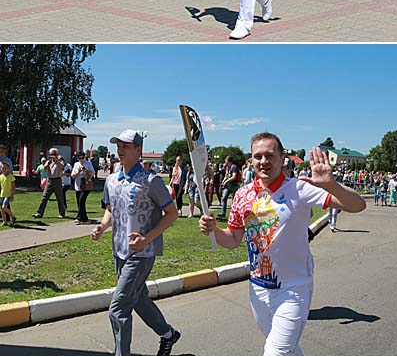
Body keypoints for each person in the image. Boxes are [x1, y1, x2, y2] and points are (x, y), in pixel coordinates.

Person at [199, 136, 365, 356]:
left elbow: (357, 205)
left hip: (294, 287)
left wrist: (331, 185)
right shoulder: (242, 195)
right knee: (287, 350)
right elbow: (232, 240)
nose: (263, 161)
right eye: (258, 156)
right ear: (251, 160)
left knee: (275, 352)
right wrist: (215, 230)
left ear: (281, 159)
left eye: (270, 155)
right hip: (259, 288)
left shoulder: (299, 188)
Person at [91, 129, 180, 357]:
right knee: (138, 298)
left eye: (126, 146)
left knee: (118, 309)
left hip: (143, 253)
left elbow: (171, 213)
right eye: (118, 146)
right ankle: (168, 334)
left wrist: (146, 239)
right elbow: (111, 210)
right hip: (119, 250)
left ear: (138, 150)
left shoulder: (151, 181)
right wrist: (102, 226)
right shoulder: (112, 179)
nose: (120, 150)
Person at [33, 147, 66, 218]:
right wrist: (48, 163)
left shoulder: (60, 161)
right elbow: (44, 168)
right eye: (51, 154)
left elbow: (62, 167)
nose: (52, 155)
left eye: (54, 154)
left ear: (56, 154)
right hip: (50, 180)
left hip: (57, 180)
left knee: (60, 198)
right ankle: (39, 213)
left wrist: (56, 161)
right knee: (44, 197)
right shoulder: (49, 161)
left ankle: (62, 213)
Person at [71, 151, 95, 224]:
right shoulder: (76, 164)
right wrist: (78, 172)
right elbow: (73, 175)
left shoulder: (88, 163)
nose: (81, 159)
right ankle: (84, 218)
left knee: (81, 200)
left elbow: (93, 173)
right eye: (79, 158)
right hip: (78, 185)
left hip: (86, 184)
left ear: (85, 157)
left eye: (82, 158)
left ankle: (79, 217)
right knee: (79, 202)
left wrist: (87, 171)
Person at [218, 155, 240, 219]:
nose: (225, 162)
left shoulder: (234, 167)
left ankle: (235, 213)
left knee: (234, 200)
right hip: (227, 186)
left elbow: (234, 176)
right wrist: (224, 180)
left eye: (226, 161)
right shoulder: (227, 167)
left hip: (233, 185)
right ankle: (223, 213)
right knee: (224, 198)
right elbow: (226, 175)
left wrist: (226, 181)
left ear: (229, 161)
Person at [0, 161, 16, 226]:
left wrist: (12, 195)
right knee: (1, 208)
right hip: (1, 194)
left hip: (8, 194)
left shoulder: (10, 176)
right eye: (3, 168)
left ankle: (13, 217)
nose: (4, 169)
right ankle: (4, 221)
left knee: (4, 207)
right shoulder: (1, 176)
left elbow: (13, 186)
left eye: (5, 168)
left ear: (8, 169)